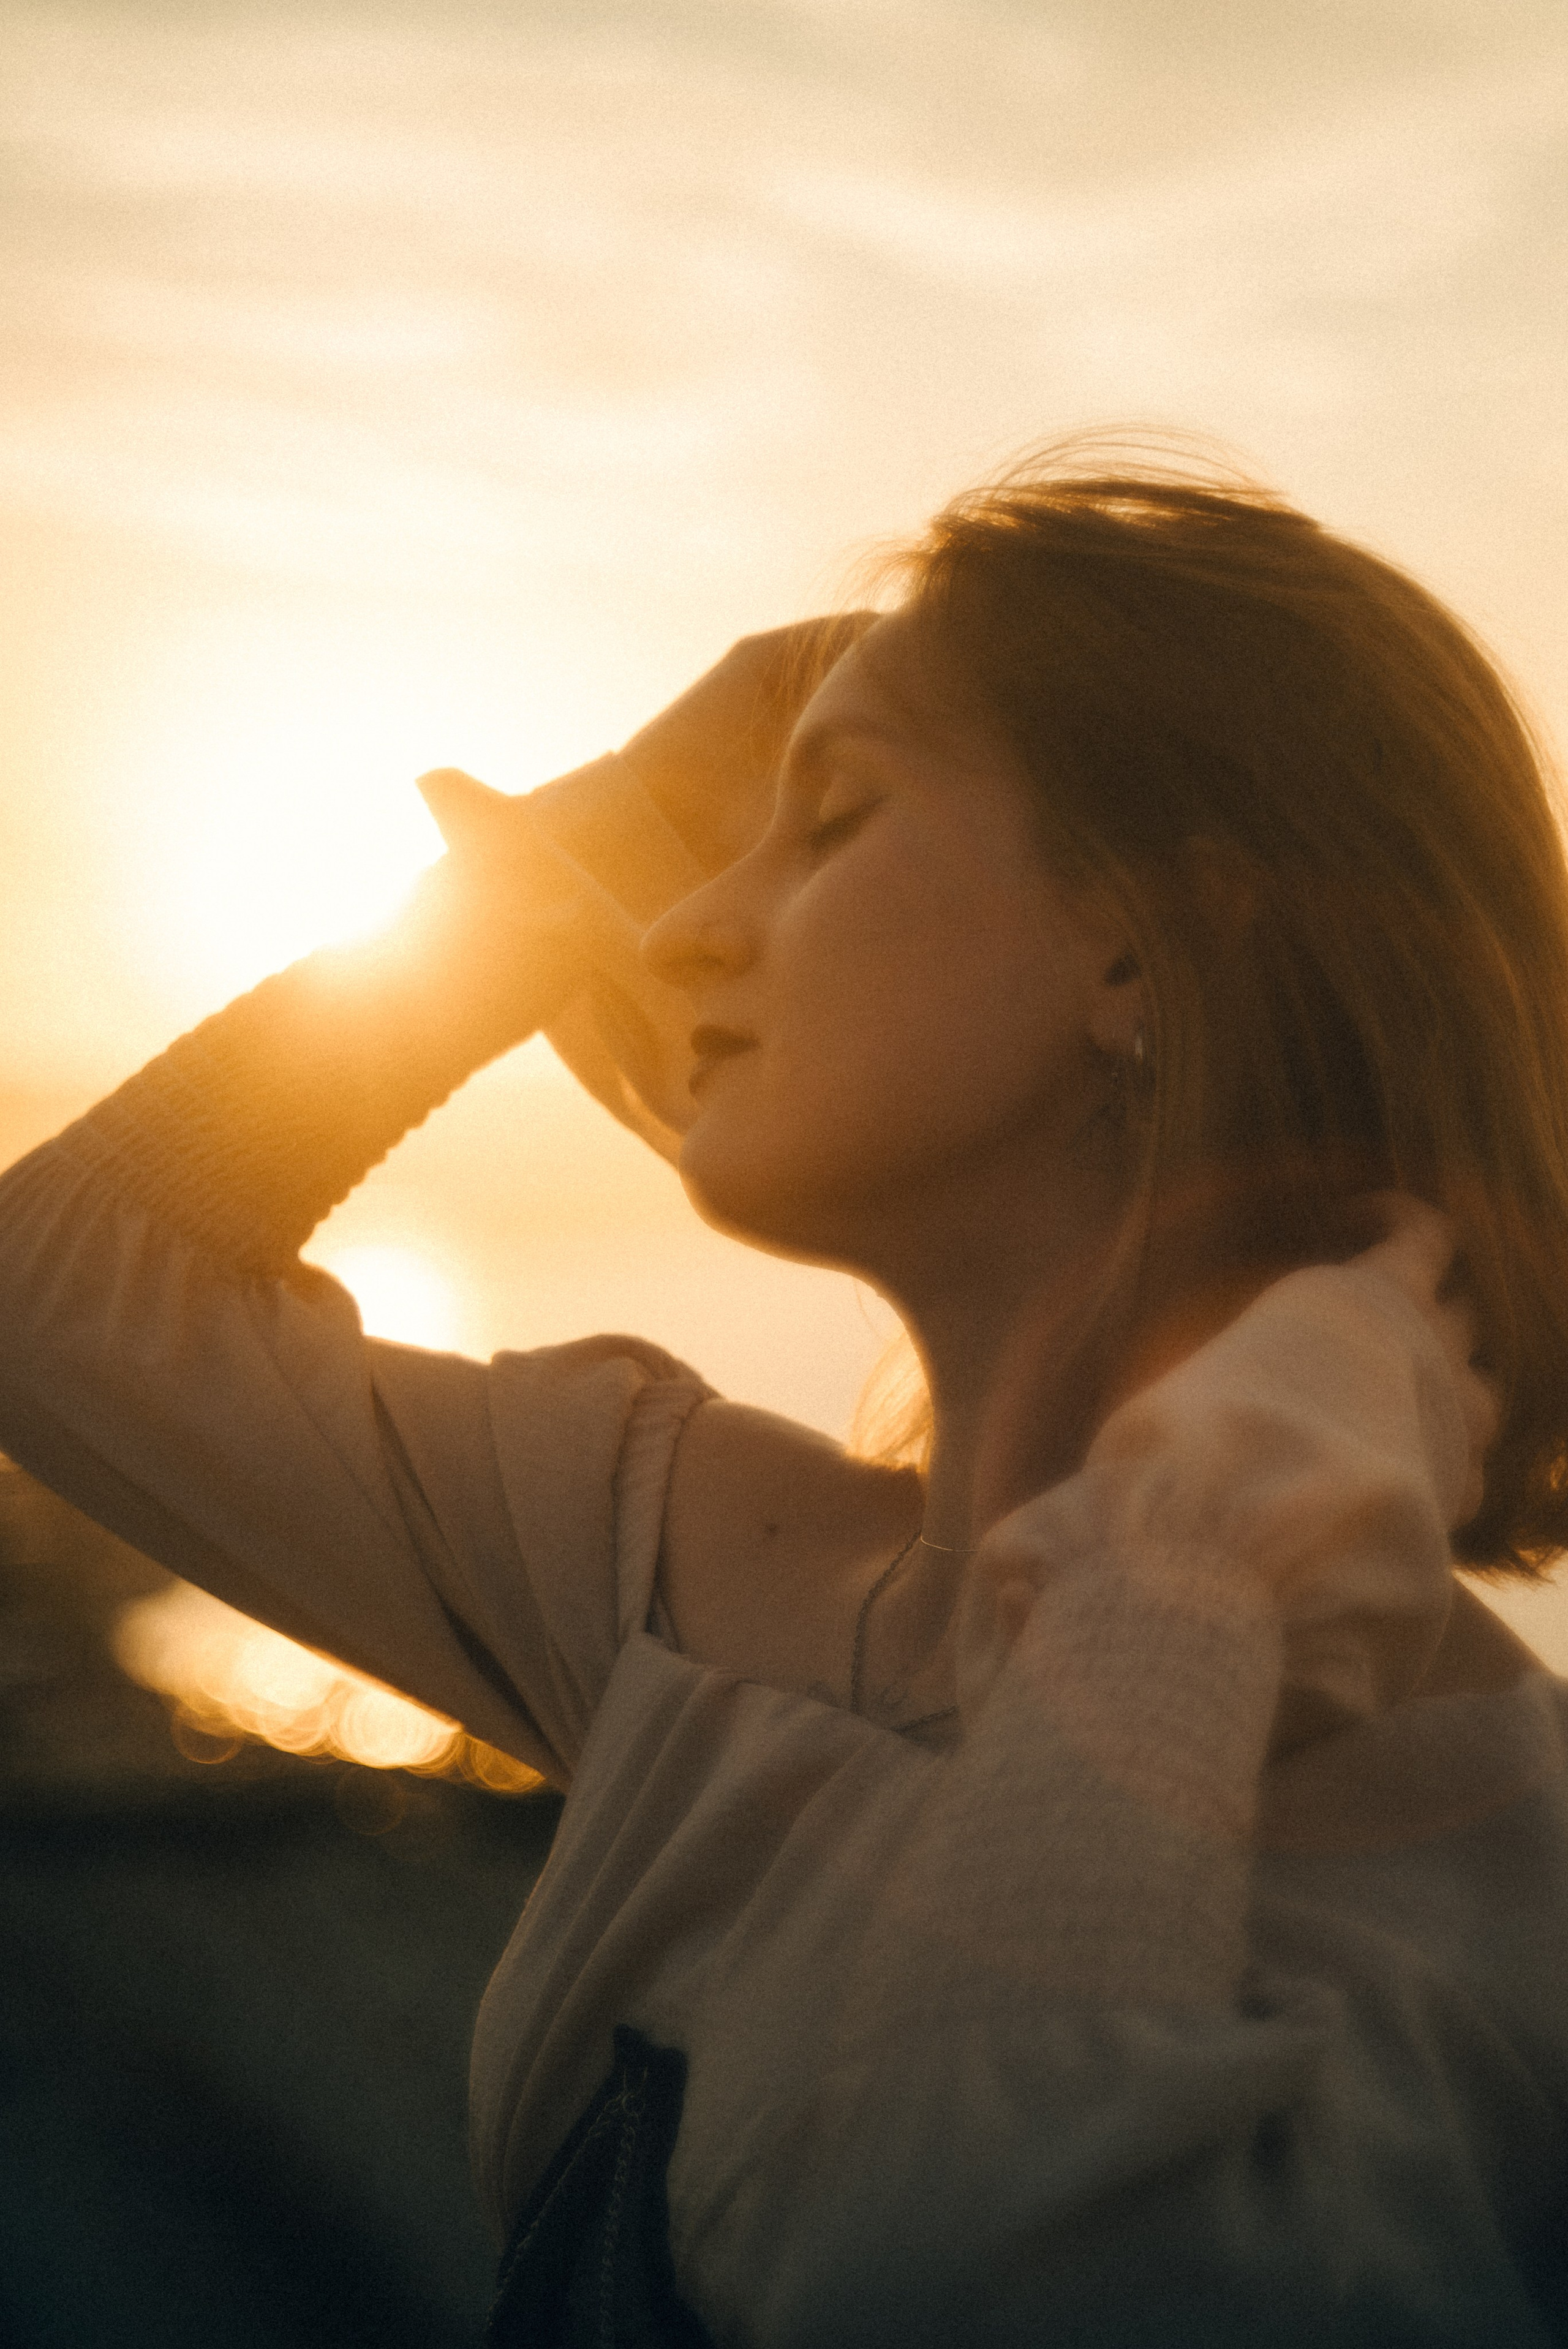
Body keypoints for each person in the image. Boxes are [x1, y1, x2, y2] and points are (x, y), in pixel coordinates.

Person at [1, 445, 1566, 2347]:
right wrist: (541, 874)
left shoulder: (1481, 1856)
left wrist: (1172, 1586)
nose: (672, 931)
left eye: (828, 823)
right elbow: (54, 1282)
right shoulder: (674, 1562)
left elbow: (984, 2264)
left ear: (1143, 939)